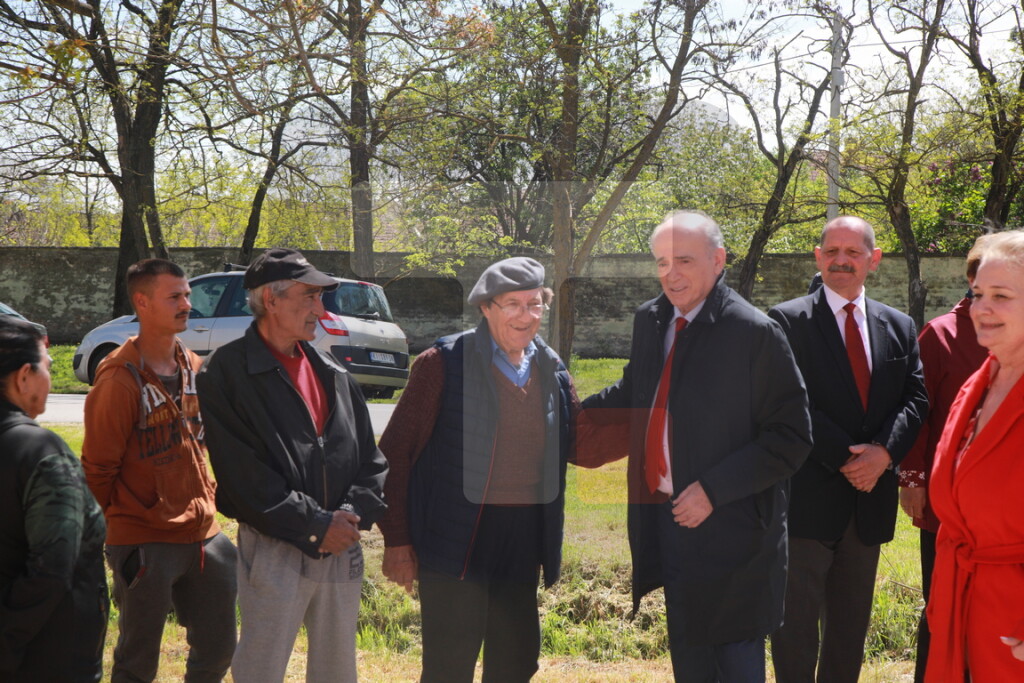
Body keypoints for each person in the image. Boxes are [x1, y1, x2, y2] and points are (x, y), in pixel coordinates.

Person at [581, 211, 813, 681]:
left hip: (737, 533)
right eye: (662, 262)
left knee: (734, 663)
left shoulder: (755, 333)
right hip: (669, 523)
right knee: (690, 663)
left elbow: (791, 437)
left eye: (684, 260)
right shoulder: (651, 320)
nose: (671, 274)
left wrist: (712, 489)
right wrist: (560, 417)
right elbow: (633, 393)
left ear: (718, 259)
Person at [378, 256, 581, 683]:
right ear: (486, 308)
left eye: (535, 304)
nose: (526, 316)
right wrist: (397, 540)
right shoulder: (442, 363)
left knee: (516, 663)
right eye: (512, 304)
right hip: (456, 541)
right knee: (450, 667)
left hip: (522, 539)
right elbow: (394, 453)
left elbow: (581, 438)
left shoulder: (551, 368)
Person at [197, 247, 387, 683]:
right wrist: (316, 524)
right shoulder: (225, 372)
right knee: (260, 669)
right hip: (275, 545)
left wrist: (350, 516)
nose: (321, 311)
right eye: (310, 298)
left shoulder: (332, 371)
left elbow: (370, 459)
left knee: (337, 671)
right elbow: (243, 479)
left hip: (342, 540)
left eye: (321, 298)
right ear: (271, 300)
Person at [768, 215, 928, 683]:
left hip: (867, 506)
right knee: (794, 632)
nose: (841, 261)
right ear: (818, 257)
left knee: (849, 632)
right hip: (806, 503)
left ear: (873, 260)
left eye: (853, 252)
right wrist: (849, 458)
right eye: (832, 252)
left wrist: (883, 455)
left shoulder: (898, 325)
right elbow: (786, 404)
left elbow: (915, 399)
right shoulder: (787, 320)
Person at [82, 258, 237, 683]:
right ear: (142, 302)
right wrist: (100, 540)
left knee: (220, 647)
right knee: (138, 660)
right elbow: (97, 469)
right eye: (175, 296)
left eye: (188, 295)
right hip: (144, 539)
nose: (187, 303)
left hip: (205, 534)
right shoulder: (118, 379)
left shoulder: (192, 365)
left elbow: (203, 442)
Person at [925, 229, 1024, 682]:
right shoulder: (978, 385)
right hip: (965, 608)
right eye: (978, 292)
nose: (981, 308)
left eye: (1001, 296)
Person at [897, 236, 990, 683]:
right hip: (948, 502)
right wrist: (912, 478)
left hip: (1007, 505)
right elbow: (918, 410)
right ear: (970, 279)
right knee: (943, 604)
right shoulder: (940, 333)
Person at [0, 316, 108, 682]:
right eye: (48, 366)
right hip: (44, 657)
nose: (49, 376)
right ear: (23, 376)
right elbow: (53, 566)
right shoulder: (39, 451)